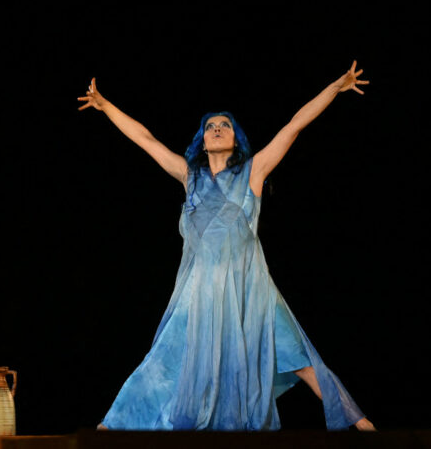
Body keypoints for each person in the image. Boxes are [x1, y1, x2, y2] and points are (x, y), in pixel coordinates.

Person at [77, 62, 375, 431]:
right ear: (202, 140)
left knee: (297, 355)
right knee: (164, 360)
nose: (217, 129)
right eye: (210, 127)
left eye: (225, 125)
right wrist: (106, 106)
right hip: (199, 293)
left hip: (251, 290)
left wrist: (335, 87)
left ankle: (363, 427)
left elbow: (294, 126)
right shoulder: (190, 176)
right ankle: (108, 429)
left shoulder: (254, 171)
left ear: (235, 138)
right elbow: (146, 139)